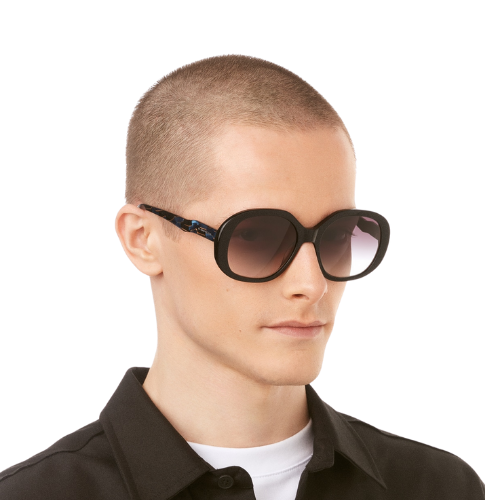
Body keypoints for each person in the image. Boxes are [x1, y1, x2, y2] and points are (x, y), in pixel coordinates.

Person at [0, 54, 484, 499]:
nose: (312, 285)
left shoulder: (440, 488)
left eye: (338, 235)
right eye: (256, 237)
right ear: (142, 240)